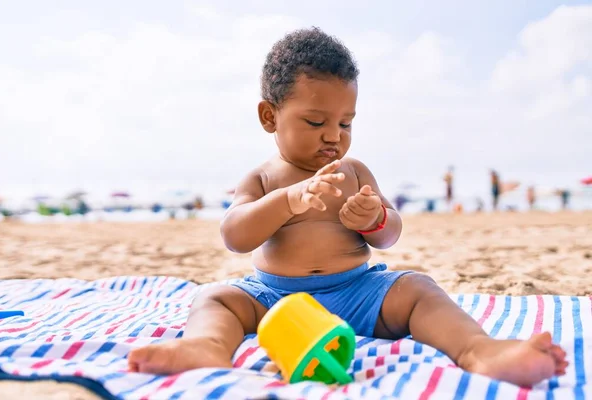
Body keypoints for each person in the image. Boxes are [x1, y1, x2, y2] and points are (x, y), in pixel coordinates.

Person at [127, 28, 567, 386]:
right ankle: (205, 348)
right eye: (316, 122)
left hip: (359, 293)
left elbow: (391, 233)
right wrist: (286, 201)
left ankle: (481, 350)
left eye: (346, 122)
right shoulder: (261, 179)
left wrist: (374, 219)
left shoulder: (354, 171)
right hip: (274, 301)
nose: (333, 135)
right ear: (269, 117)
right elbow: (235, 235)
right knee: (216, 297)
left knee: (418, 287)